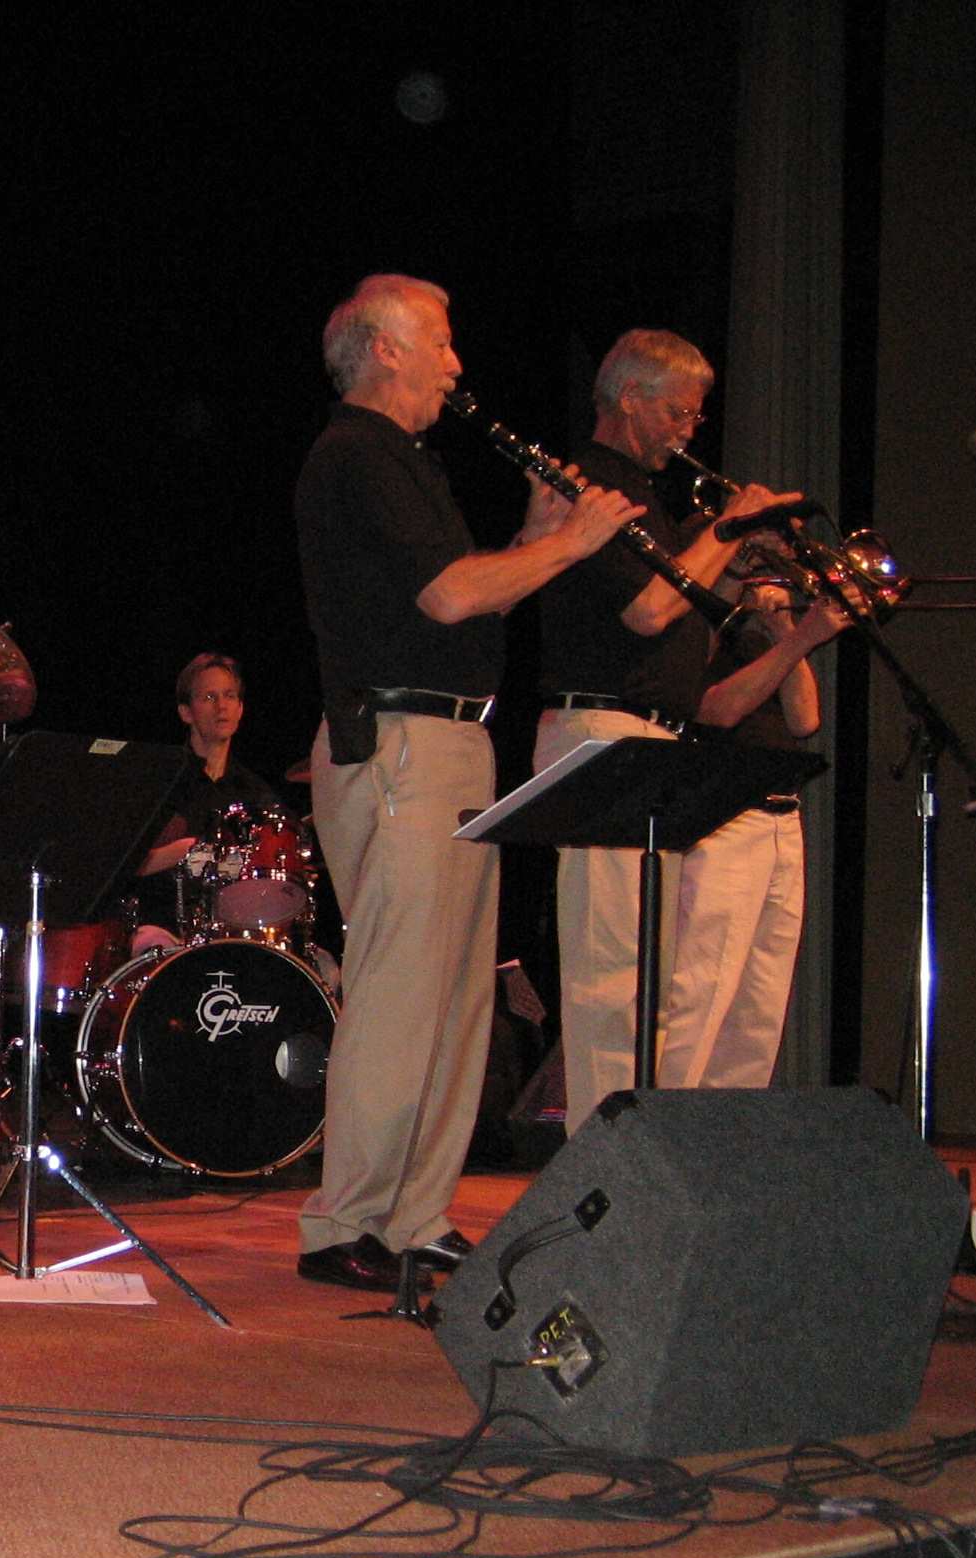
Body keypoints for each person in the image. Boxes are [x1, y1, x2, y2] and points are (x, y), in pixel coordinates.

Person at [290, 275, 641, 1293]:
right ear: (386, 349)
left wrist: (536, 538)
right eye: (439, 343)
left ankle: (414, 1215)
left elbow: (458, 595)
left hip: (446, 742)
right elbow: (447, 596)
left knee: (453, 1000)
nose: (456, 363)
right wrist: (576, 541)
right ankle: (343, 1222)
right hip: (400, 741)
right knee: (401, 996)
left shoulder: (405, 461)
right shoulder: (355, 452)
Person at [533, 329, 834, 1126]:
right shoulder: (593, 484)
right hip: (603, 731)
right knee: (611, 980)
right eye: (676, 411)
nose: (687, 430)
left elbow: (685, 633)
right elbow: (647, 608)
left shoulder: (654, 500)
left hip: (655, 737)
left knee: (653, 984)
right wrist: (728, 530)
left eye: (696, 418)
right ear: (628, 397)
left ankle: (657, 1162)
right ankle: (608, 1172)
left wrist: (744, 572)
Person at [658, 578, 825, 1092]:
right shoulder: (700, 632)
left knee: (759, 1006)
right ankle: (665, 1132)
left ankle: (724, 1145)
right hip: (727, 822)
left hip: (782, 819)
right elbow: (716, 710)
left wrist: (786, 631)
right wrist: (797, 640)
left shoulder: (766, 640)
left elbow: (805, 720)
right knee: (701, 994)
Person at [132, 652, 290, 953]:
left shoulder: (256, 793)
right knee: (153, 943)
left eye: (229, 696)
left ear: (241, 708)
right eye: (208, 697)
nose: (222, 706)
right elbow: (118, 867)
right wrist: (179, 853)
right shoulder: (159, 782)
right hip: (163, 930)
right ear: (185, 712)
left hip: (233, 931)